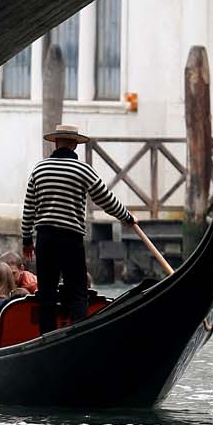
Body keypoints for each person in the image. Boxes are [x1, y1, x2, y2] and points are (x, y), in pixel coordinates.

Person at [22, 124, 135, 334]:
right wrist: (126, 217)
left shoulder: (39, 169)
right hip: (70, 238)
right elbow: (106, 199)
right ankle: (76, 335)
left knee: (47, 292)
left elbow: (29, 207)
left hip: (45, 238)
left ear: (56, 143)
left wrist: (27, 240)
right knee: (78, 291)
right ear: (74, 145)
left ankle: (46, 338)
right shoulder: (82, 170)